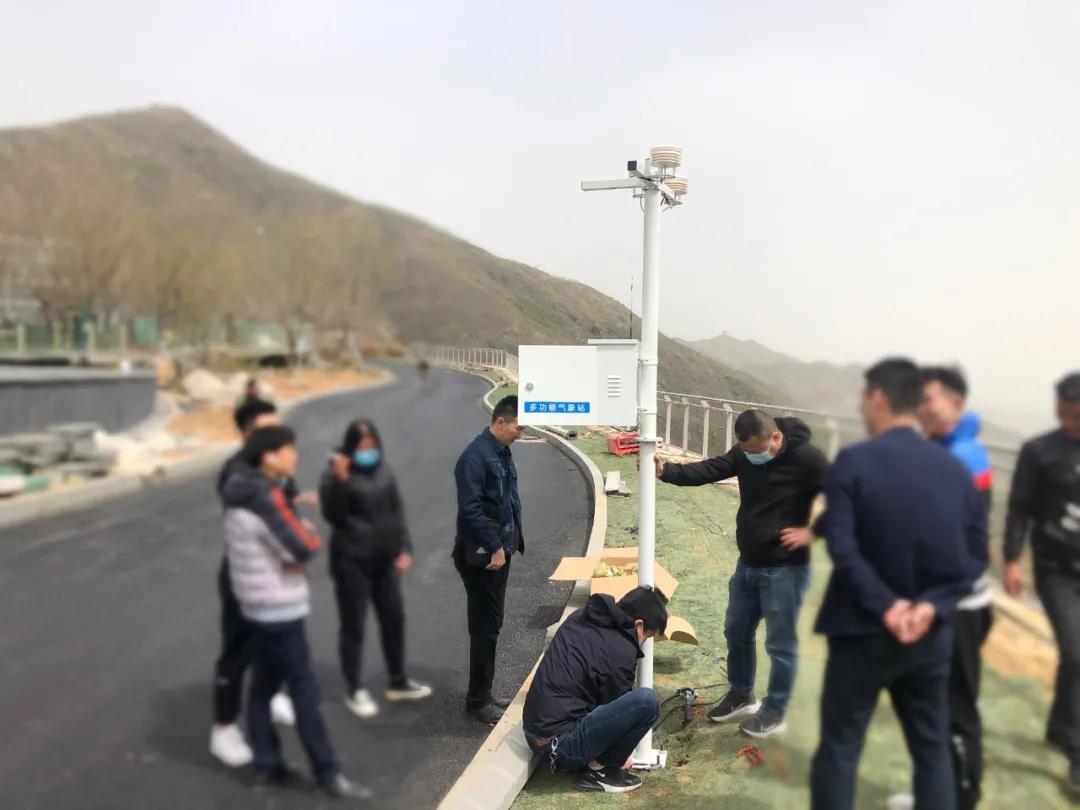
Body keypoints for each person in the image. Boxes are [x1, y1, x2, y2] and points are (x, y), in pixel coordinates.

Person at [810, 358, 987, 810]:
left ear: (877, 398)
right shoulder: (954, 471)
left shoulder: (854, 461)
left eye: (864, 398)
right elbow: (975, 557)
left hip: (859, 631)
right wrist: (930, 606)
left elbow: (842, 546)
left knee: (840, 749)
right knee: (931, 750)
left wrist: (887, 606)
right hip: (929, 638)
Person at [652, 409, 828, 738]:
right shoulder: (745, 452)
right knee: (736, 630)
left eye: (755, 451)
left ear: (776, 437)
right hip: (748, 564)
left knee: (780, 644)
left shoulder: (807, 458)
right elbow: (710, 468)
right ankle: (742, 694)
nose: (749, 457)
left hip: (785, 569)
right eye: (744, 451)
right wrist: (666, 471)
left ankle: (775, 711)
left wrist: (813, 532)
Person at [223, 426, 372, 801]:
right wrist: (305, 524)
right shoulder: (266, 497)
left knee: (262, 686)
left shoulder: (241, 492)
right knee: (304, 691)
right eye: (289, 450)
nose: (295, 456)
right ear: (269, 456)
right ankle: (328, 773)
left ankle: (267, 764)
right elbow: (303, 546)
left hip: (256, 608)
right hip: (279, 610)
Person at [918, 366, 994, 810]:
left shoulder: (963, 457)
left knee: (956, 708)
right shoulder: (940, 450)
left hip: (957, 606)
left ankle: (961, 798)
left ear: (956, 403)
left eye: (930, 399)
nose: (922, 408)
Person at [320, 419, 432, 719]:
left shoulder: (384, 470)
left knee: (394, 619)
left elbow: (396, 510)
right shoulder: (335, 475)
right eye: (361, 447)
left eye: (372, 446)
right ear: (350, 448)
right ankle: (354, 688)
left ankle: (397, 680)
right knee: (353, 626)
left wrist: (405, 547)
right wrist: (341, 480)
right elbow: (334, 516)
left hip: (386, 561)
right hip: (352, 562)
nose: (368, 452)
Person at [1003, 371, 1080, 794]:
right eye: (1062, 414)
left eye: (1076, 416)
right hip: (1056, 569)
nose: (1068, 422)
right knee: (1076, 651)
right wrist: (1012, 559)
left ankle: (1060, 727)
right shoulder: (1041, 452)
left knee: (1076, 657)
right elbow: (1019, 507)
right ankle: (1077, 753)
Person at [210, 398, 297, 768]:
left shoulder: (275, 465)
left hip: (275, 572)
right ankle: (224, 728)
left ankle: (272, 693)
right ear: (247, 434)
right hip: (243, 576)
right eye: (267, 430)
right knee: (237, 651)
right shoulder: (236, 474)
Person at [522, 587, 666, 794]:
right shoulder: (621, 649)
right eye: (648, 635)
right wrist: (620, 756)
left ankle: (593, 764)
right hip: (561, 747)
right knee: (646, 702)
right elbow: (618, 711)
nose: (644, 641)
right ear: (639, 624)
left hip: (535, 733)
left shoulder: (580, 617)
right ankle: (599, 771)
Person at [453, 395, 524, 725]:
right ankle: (478, 701)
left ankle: (485, 693)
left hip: (499, 552)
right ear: (500, 421)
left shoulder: (500, 452)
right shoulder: (475, 457)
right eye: (518, 427)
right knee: (484, 628)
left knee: (492, 625)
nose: (521, 433)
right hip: (483, 556)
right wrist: (495, 546)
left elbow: (507, 500)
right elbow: (470, 511)